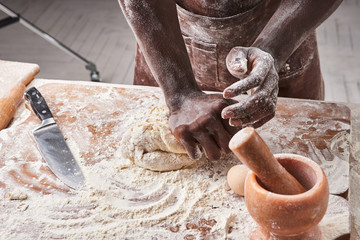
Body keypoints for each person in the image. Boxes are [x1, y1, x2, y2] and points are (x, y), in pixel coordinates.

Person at [118, 0, 342, 160]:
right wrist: (179, 94)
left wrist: (273, 49)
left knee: (300, 155)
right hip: (166, 42)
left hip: (285, 33)